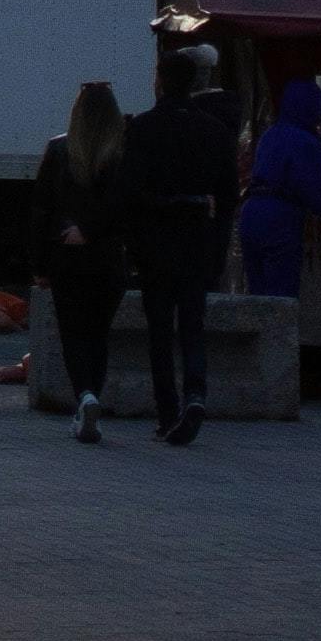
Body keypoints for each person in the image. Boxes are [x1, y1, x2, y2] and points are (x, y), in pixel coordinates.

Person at [123, 36, 240, 446]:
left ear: (159, 81)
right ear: (193, 83)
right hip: (197, 239)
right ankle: (196, 392)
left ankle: (166, 410)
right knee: (193, 323)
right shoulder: (214, 130)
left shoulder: (141, 128)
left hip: (157, 242)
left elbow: (130, 193)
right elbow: (228, 195)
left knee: (159, 328)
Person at [237, 73, 321, 391]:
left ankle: (253, 373)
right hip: (280, 220)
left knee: (258, 298)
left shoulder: (272, 135)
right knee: (281, 303)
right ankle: (278, 383)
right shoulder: (305, 142)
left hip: (251, 215)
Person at [34, 81, 130, 443]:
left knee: (73, 333)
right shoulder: (120, 155)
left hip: (66, 257)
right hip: (107, 259)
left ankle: (85, 396)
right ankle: (93, 395)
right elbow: (123, 206)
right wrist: (93, 231)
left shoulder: (59, 150)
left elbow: (40, 210)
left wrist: (41, 264)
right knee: (98, 334)